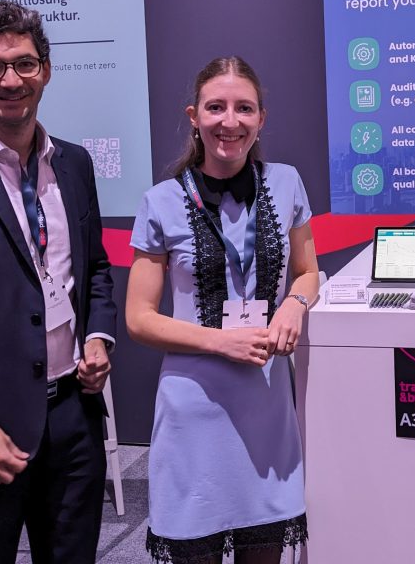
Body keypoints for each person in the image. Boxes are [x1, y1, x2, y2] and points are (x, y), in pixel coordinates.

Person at [126, 56, 319, 564]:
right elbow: (139, 318)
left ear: (261, 118)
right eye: (216, 107)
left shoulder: (287, 183)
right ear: (194, 116)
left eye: (244, 108)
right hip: (194, 408)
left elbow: (308, 271)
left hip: (267, 405)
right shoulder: (160, 201)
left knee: (266, 548)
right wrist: (220, 340)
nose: (229, 121)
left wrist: (294, 305)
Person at [0, 0, 116, 564]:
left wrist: (99, 337)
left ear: (45, 69)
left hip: (74, 417)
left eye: (24, 63)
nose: (11, 80)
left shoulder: (74, 163)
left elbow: (94, 270)